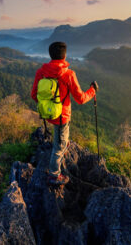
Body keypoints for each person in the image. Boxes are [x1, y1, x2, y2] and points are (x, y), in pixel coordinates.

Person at [31, 41, 98, 185]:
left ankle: (63, 146)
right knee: (59, 146)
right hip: (63, 116)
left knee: (60, 138)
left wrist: (48, 106)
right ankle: (54, 175)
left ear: (50, 55)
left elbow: (34, 95)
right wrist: (92, 91)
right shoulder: (69, 74)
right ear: (65, 55)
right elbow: (80, 98)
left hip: (49, 114)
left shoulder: (41, 72)